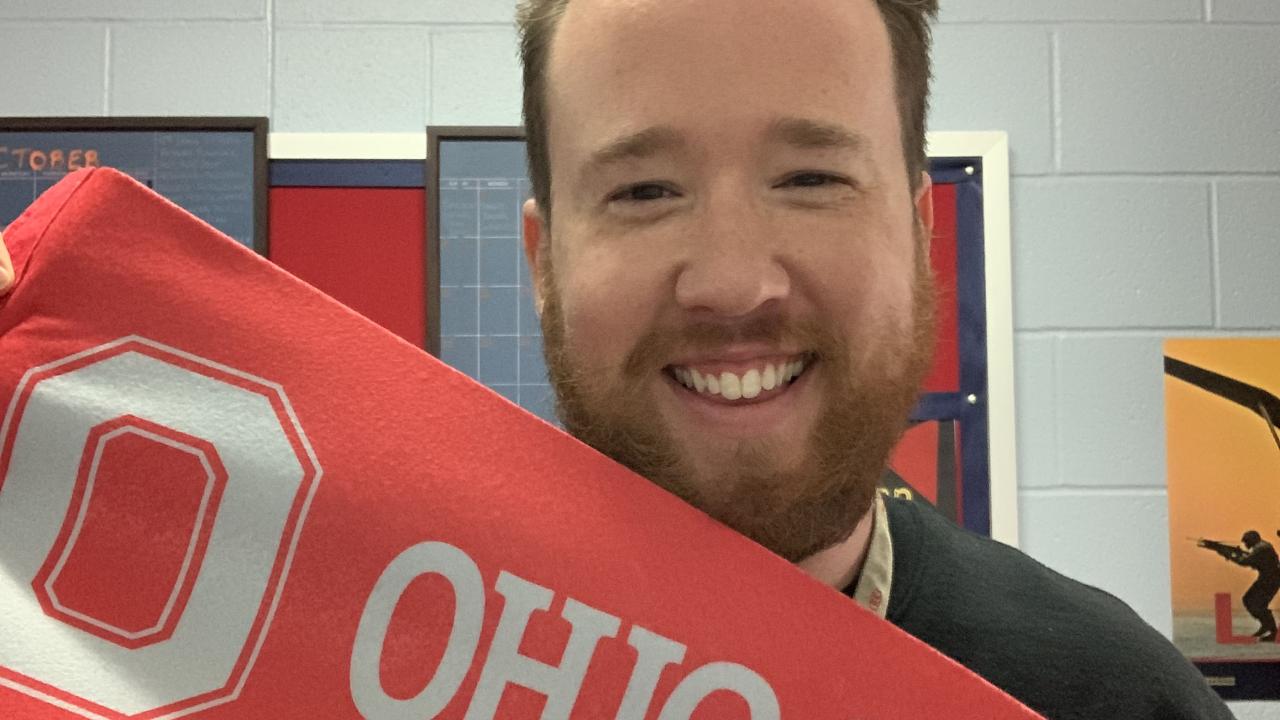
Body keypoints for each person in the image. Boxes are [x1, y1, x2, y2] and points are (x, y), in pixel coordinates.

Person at [0, 1, 1234, 717]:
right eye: (643, 191)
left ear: (915, 232)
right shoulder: (295, 636)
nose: (734, 280)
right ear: (542, 260)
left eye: (810, 178)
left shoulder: (1109, 700)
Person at [1211, 530, 1280, 641]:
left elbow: (1244, 561)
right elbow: (1252, 558)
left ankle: (1270, 629)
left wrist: (1227, 553)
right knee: (1251, 601)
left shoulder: (1261, 549)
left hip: (1270, 580)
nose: (1246, 545)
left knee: (1253, 602)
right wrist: (1232, 552)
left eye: (1247, 542)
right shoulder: (1262, 547)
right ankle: (1268, 627)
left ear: (1252, 541)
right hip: (1269, 579)